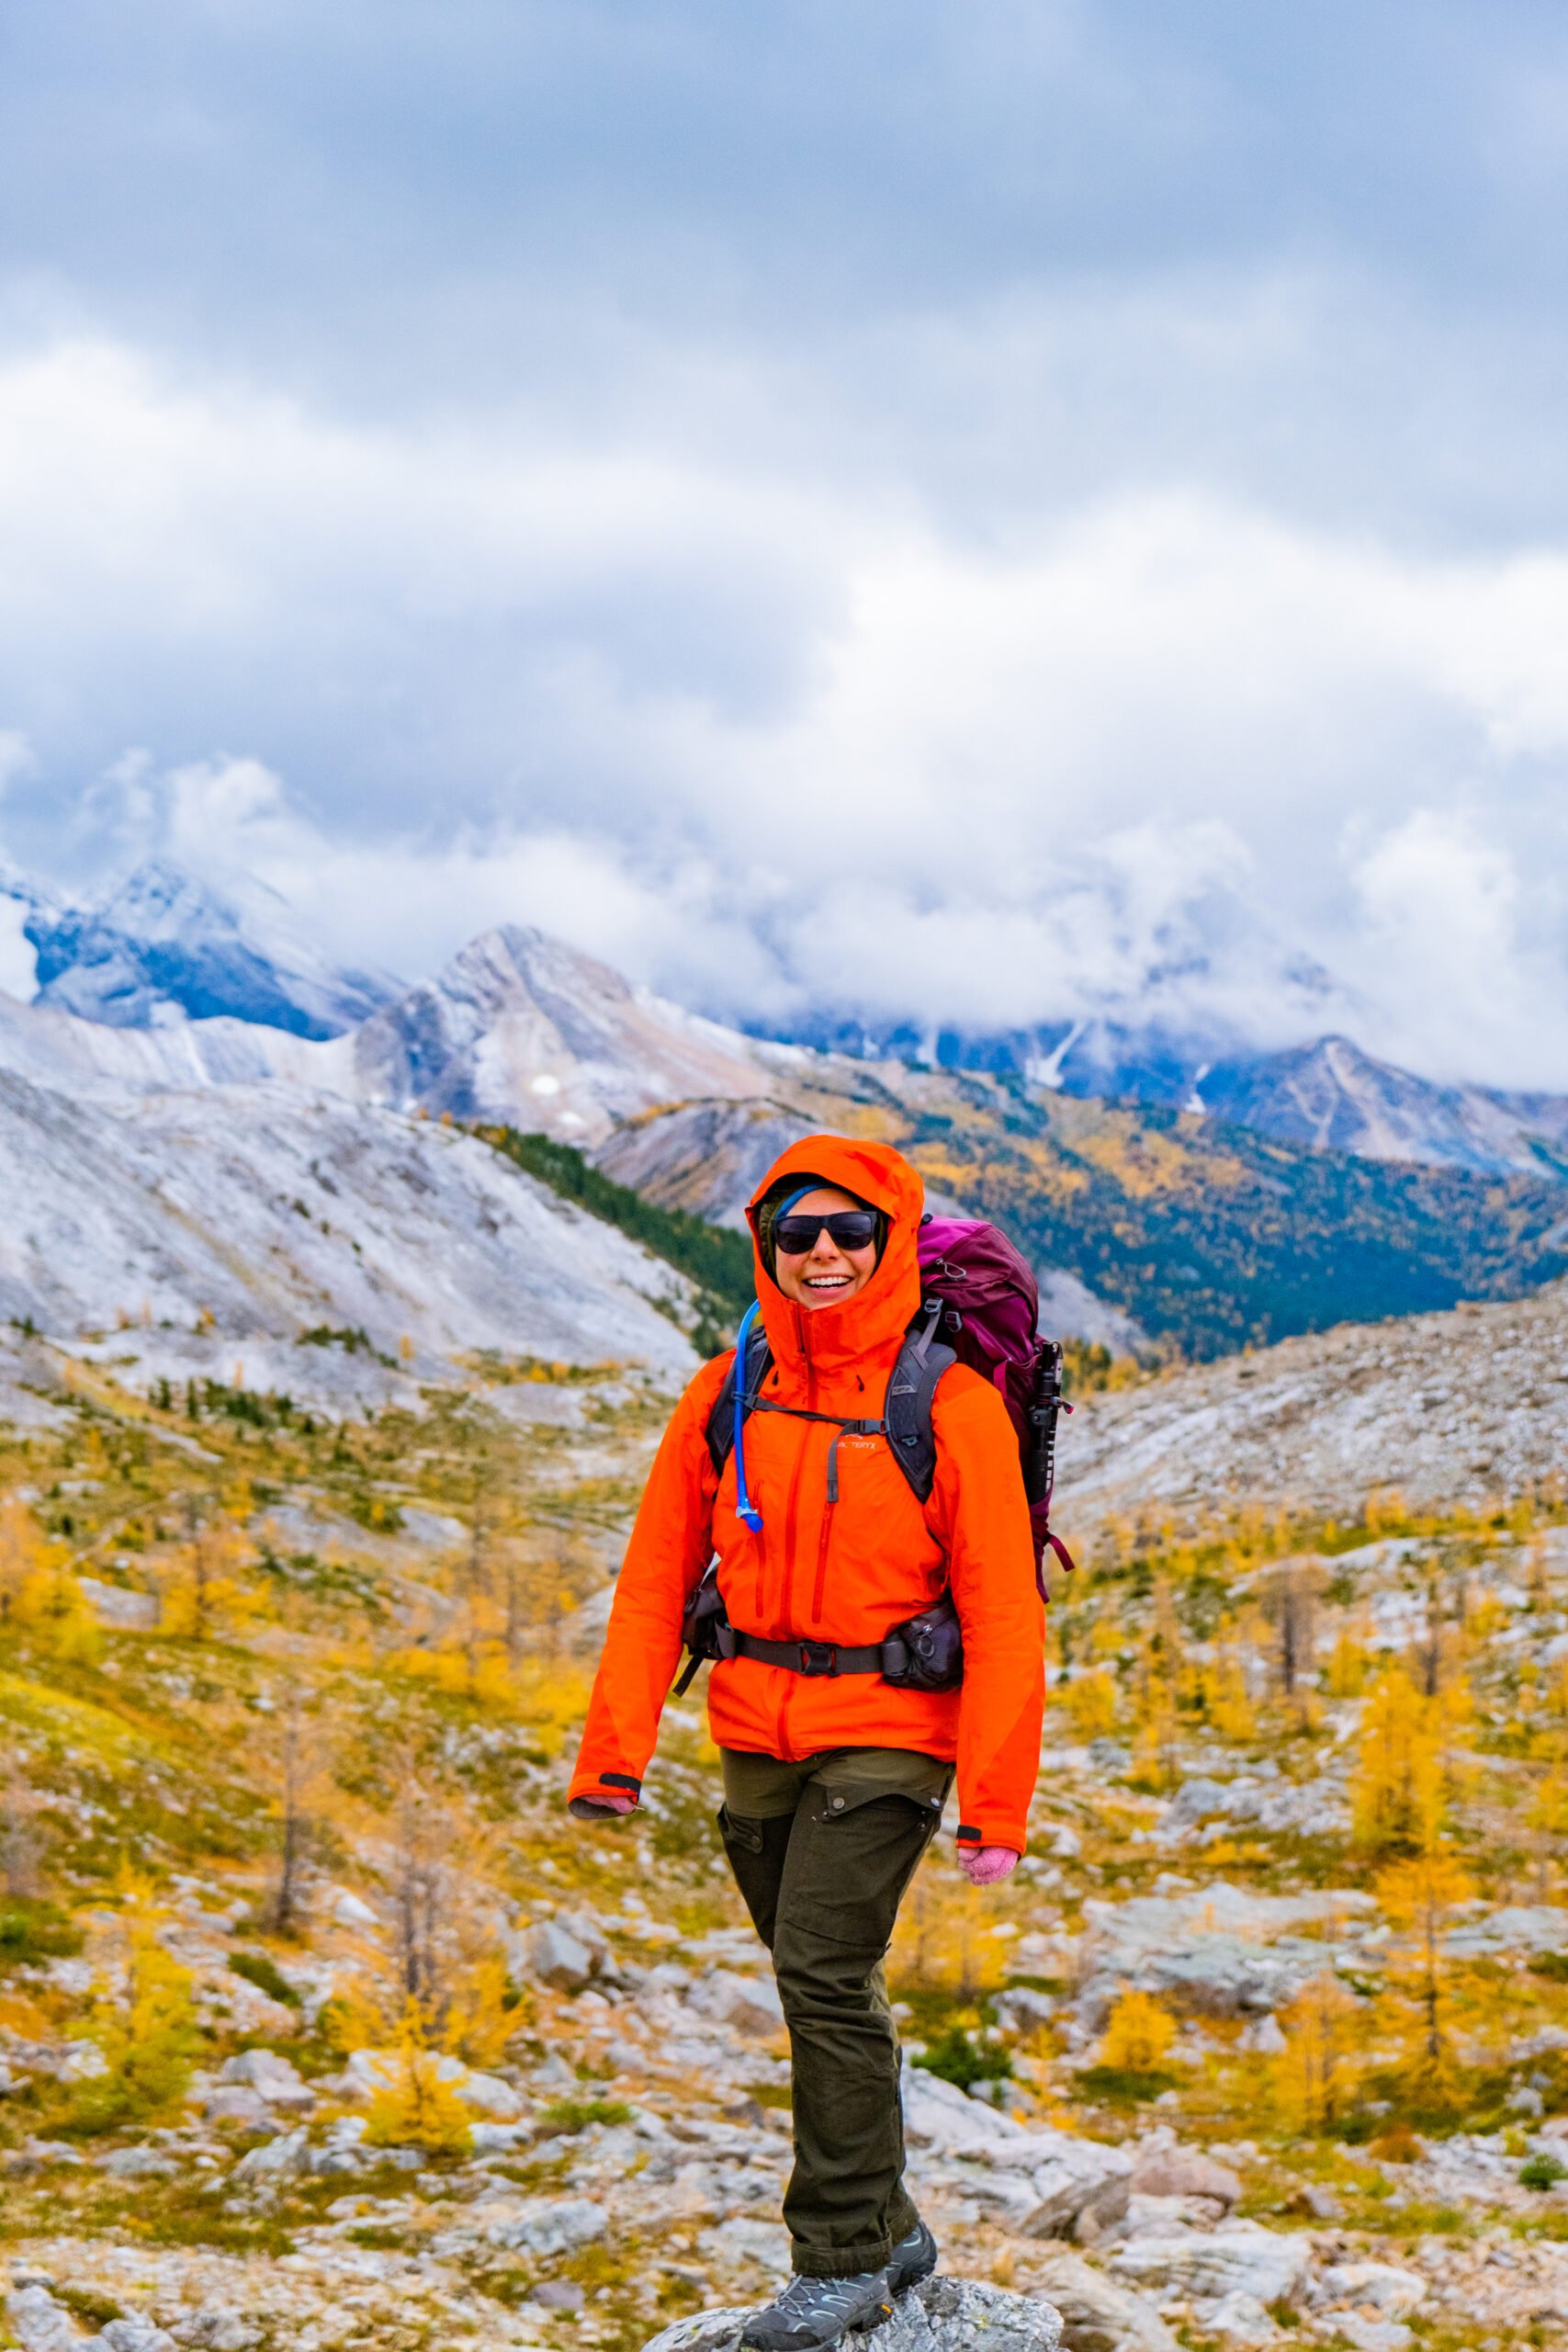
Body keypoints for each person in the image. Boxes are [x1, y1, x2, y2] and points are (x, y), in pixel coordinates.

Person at [569, 1135, 1043, 2351]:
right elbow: (657, 1571)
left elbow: (1002, 1607)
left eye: (849, 1232)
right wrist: (613, 1753)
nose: (824, 1253)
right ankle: (893, 2229)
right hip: (754, 1727)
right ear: (767, 1247)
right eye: (798, 1234)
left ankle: (837, 2259)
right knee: (825, 1986)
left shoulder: (948, 1400)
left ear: (891, 1241)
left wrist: (995, 1801)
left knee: (823, 1973)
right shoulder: (731, 1381)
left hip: (892, 1730)